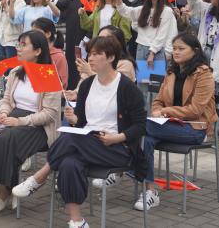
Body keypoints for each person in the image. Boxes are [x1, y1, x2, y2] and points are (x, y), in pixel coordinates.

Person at [13, 36, 146, 228]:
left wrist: (117, 138)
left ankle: (40, 176)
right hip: (87, 143)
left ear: (111, 58)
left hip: (117, 147)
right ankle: (77, 221)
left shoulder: (126, 87)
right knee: (69, 163)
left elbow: (140, 125)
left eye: (96, 54)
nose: (90, 58)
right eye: (89, 53)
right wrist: (74, 119)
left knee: (70, 138)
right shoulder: (87, 85)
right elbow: (83, 122)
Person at [0, 30, 61, 212]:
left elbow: (49, 114)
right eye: (18, 44)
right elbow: (7, 100)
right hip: (13, 117)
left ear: (38, 51)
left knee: (6, 140)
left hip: (39, 126)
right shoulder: (17, 72)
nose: (18, 48)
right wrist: (3, 113)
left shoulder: (48, 74)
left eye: (24, 45)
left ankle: (5, 191)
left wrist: (20, 122)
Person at [135, 33, 217, 211]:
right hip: (168, 126)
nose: (176, 52)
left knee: (140, 127)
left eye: (181, 48)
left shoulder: (204, 74)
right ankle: (150, 191)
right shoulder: (171, 72)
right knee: (145, 139)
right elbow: (158, 100)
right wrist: (157, 110)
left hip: (195, 129)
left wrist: (165, 111)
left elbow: (195, 110)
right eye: (174, 48)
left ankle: (122, 169)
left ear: (195, 51)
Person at [186, 0, 219, 146]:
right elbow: (193, 2)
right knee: (205, 98)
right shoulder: (208, 11)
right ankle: (205, 129)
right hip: (204, 60)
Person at [114, 0, 178, 64]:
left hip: (158, 50)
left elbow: (162, 34)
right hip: (141, 48)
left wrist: (153, 52)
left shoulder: (167, 11)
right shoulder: (142, 9)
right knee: (142, 73)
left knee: (157, 73)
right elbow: (124, 10)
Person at [57, 0, 86, 89]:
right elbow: (60, 5)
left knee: (81, 63)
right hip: (70, 35)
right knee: (70, 62)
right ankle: (70, 89)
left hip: (84, 37)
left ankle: (81, 88)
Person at [31, 18, 68, 89]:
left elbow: (62, 84)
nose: (32, 36)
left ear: (48, 34)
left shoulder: (59, 57)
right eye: (32, 33)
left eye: (36, 32)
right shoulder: (33, 53)